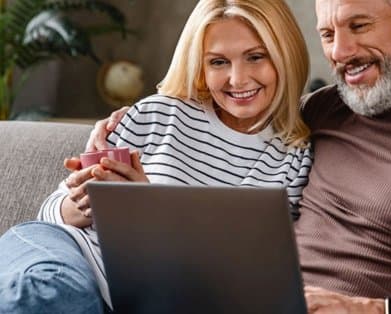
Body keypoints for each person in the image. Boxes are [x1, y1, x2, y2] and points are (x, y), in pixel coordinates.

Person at [91, 0, 391, 313]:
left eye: (359, 26)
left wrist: (372, 310)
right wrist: (126, 128)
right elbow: (226, 114)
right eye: (328, 33)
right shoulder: (318, 112)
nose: (341, 52)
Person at [0, 0, 313, 313]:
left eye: (255, 57)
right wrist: (85, 202)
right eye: (218, 62)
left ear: (285, 55)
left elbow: (259, 275)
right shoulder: (158, 113)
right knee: (52, 294)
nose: (238, 79)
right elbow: (50, 212)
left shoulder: (294, 159)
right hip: (62, 253)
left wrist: (144, 209)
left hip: (148, 297)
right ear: (201, 66)